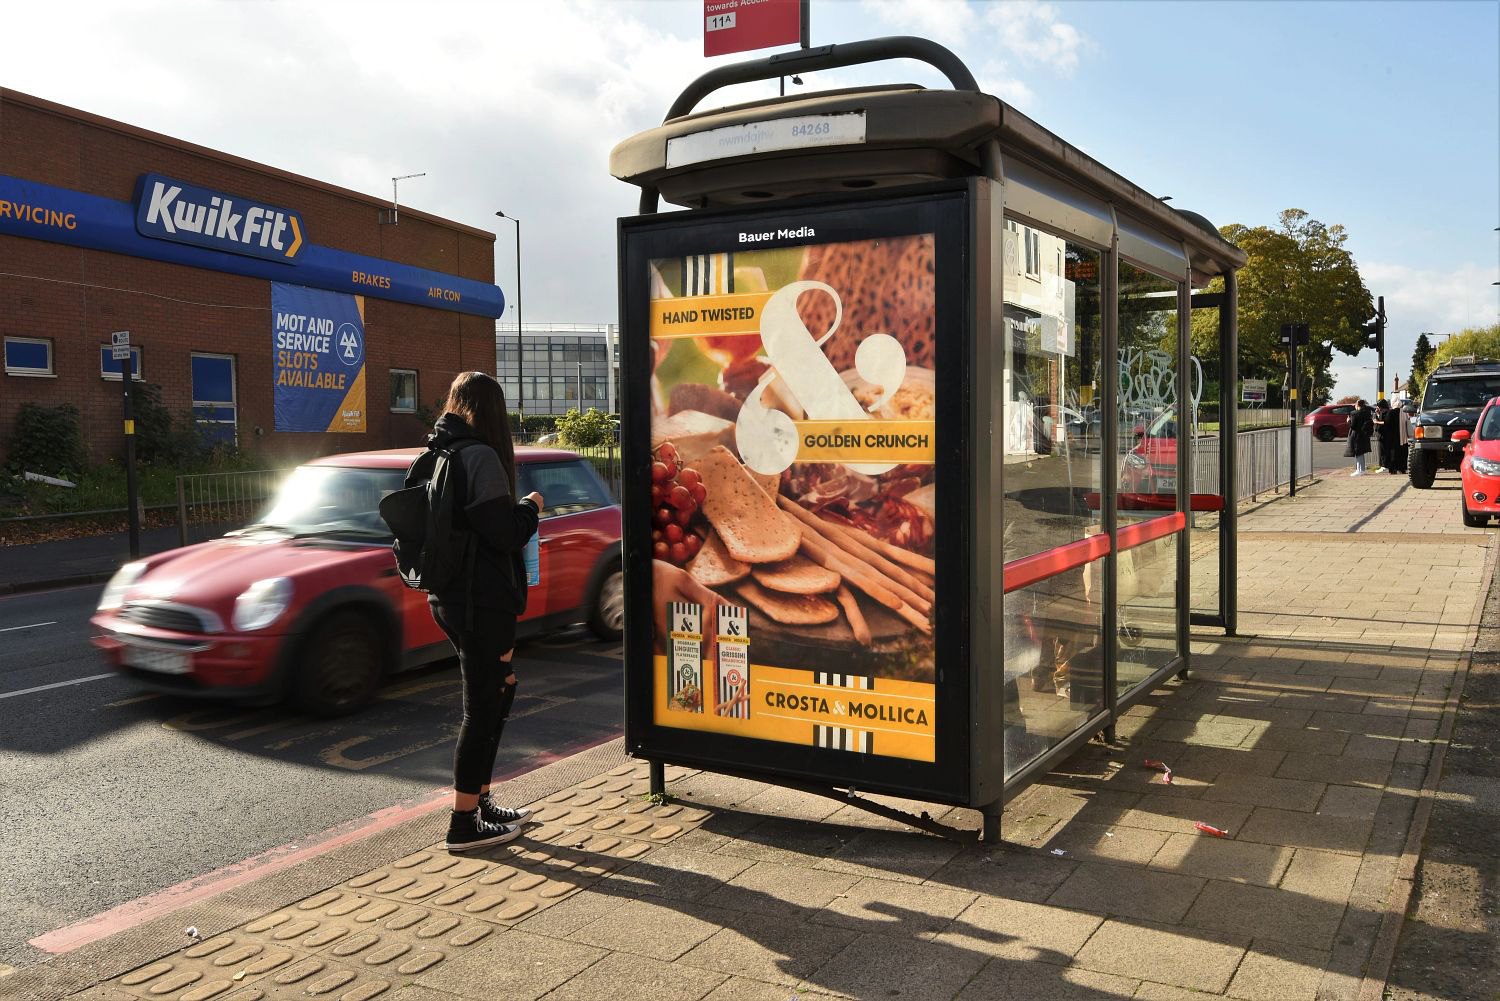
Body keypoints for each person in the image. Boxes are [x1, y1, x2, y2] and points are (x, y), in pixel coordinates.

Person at [427, 372, 546, 851]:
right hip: (482, 602)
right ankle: (462, 823)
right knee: (482, 706)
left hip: (450, 597)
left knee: (501, 689)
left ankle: (479, 801)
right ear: (494, 412)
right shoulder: (481, 458)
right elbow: (504, 533)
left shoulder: (438, 452)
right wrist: (531, 509)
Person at [1345, 399, 1374, 476]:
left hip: (1357, 435)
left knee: (1358, 452)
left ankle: (1359, 470)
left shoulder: (1354, 413)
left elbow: (1353, 426)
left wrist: (1348, 421)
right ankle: (1362, 469)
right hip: (1365, 435)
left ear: (1357, 405)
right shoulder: (1367, 413)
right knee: (1361, 452)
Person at [1372, 399, 1400, 473]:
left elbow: (1386, 422)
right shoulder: (1383, 412)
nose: (1378, 408)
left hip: (1386, 435)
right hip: (1382, 435)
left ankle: (1385, 466)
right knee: (1381, 451)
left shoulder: (1389, 412)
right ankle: (1383, 465)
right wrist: (1378, 414)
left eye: (1378, 406)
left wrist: (1376, 421)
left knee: (1384, 451)